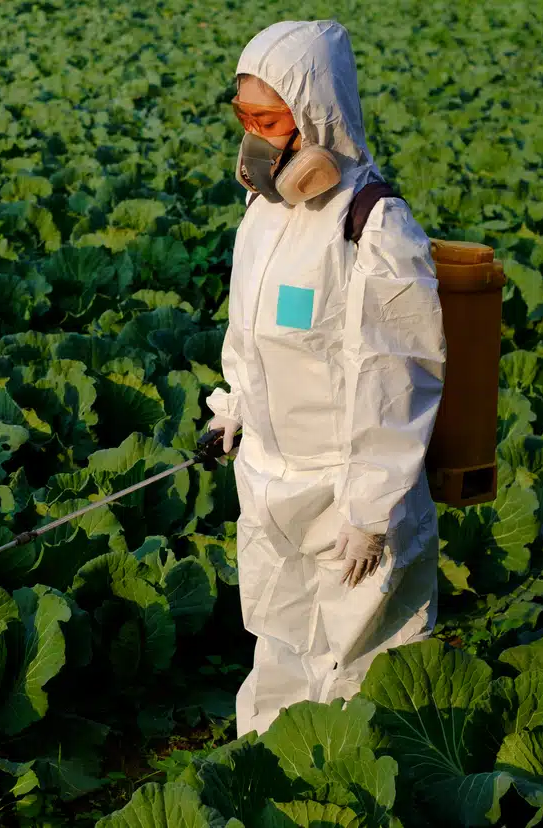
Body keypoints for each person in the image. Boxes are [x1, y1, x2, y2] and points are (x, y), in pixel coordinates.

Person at [204, 19, 447, 739]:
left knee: (360, 663)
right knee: (278, 640)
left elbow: (397, 377)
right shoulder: (263, 214)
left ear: (314, 117)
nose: (253, 137)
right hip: (271, 480)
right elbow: (249, 331)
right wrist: (235, 407)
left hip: (347, 497)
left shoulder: (373, 226)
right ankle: (266, 764)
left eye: (268, 120)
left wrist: (373, 509)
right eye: (243, 118)